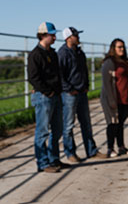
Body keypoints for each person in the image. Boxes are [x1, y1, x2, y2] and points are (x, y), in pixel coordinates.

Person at [58, 27, 108, 163]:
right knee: (68, 125)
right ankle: (70, 153)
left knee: (86, 123)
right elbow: (60, 75)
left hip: (81, 92)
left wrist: (86, 86)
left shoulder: (79, 52)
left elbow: (84, 71)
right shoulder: (62, 54)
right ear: (69, 38)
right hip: (70, 94)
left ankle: (91, 151)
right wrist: (68, 89)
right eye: (75, 35)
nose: (78, 37)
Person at [28, 22, 70, 173]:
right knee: (43, 131)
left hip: (55, 95)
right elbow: (33, 78)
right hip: (44, 97)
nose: (54, 37)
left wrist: (57, 91)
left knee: (57, 129)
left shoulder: (52, 53)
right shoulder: (35, 55)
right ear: (43, 35)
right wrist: (48, 91)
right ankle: (43, 162)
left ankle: (54, 159)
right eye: (51, 35)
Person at [100, 38, 128, 158]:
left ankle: (121, 146)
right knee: (112, 124)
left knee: (120, 123)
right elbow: (106, 84)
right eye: (119, 47)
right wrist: (111, 101)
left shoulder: (127, 61)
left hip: (125, 98)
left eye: (123, 47)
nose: (122, 49)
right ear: (113, 49)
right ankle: (110, 148)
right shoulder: (109, 63)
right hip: (112, 99)